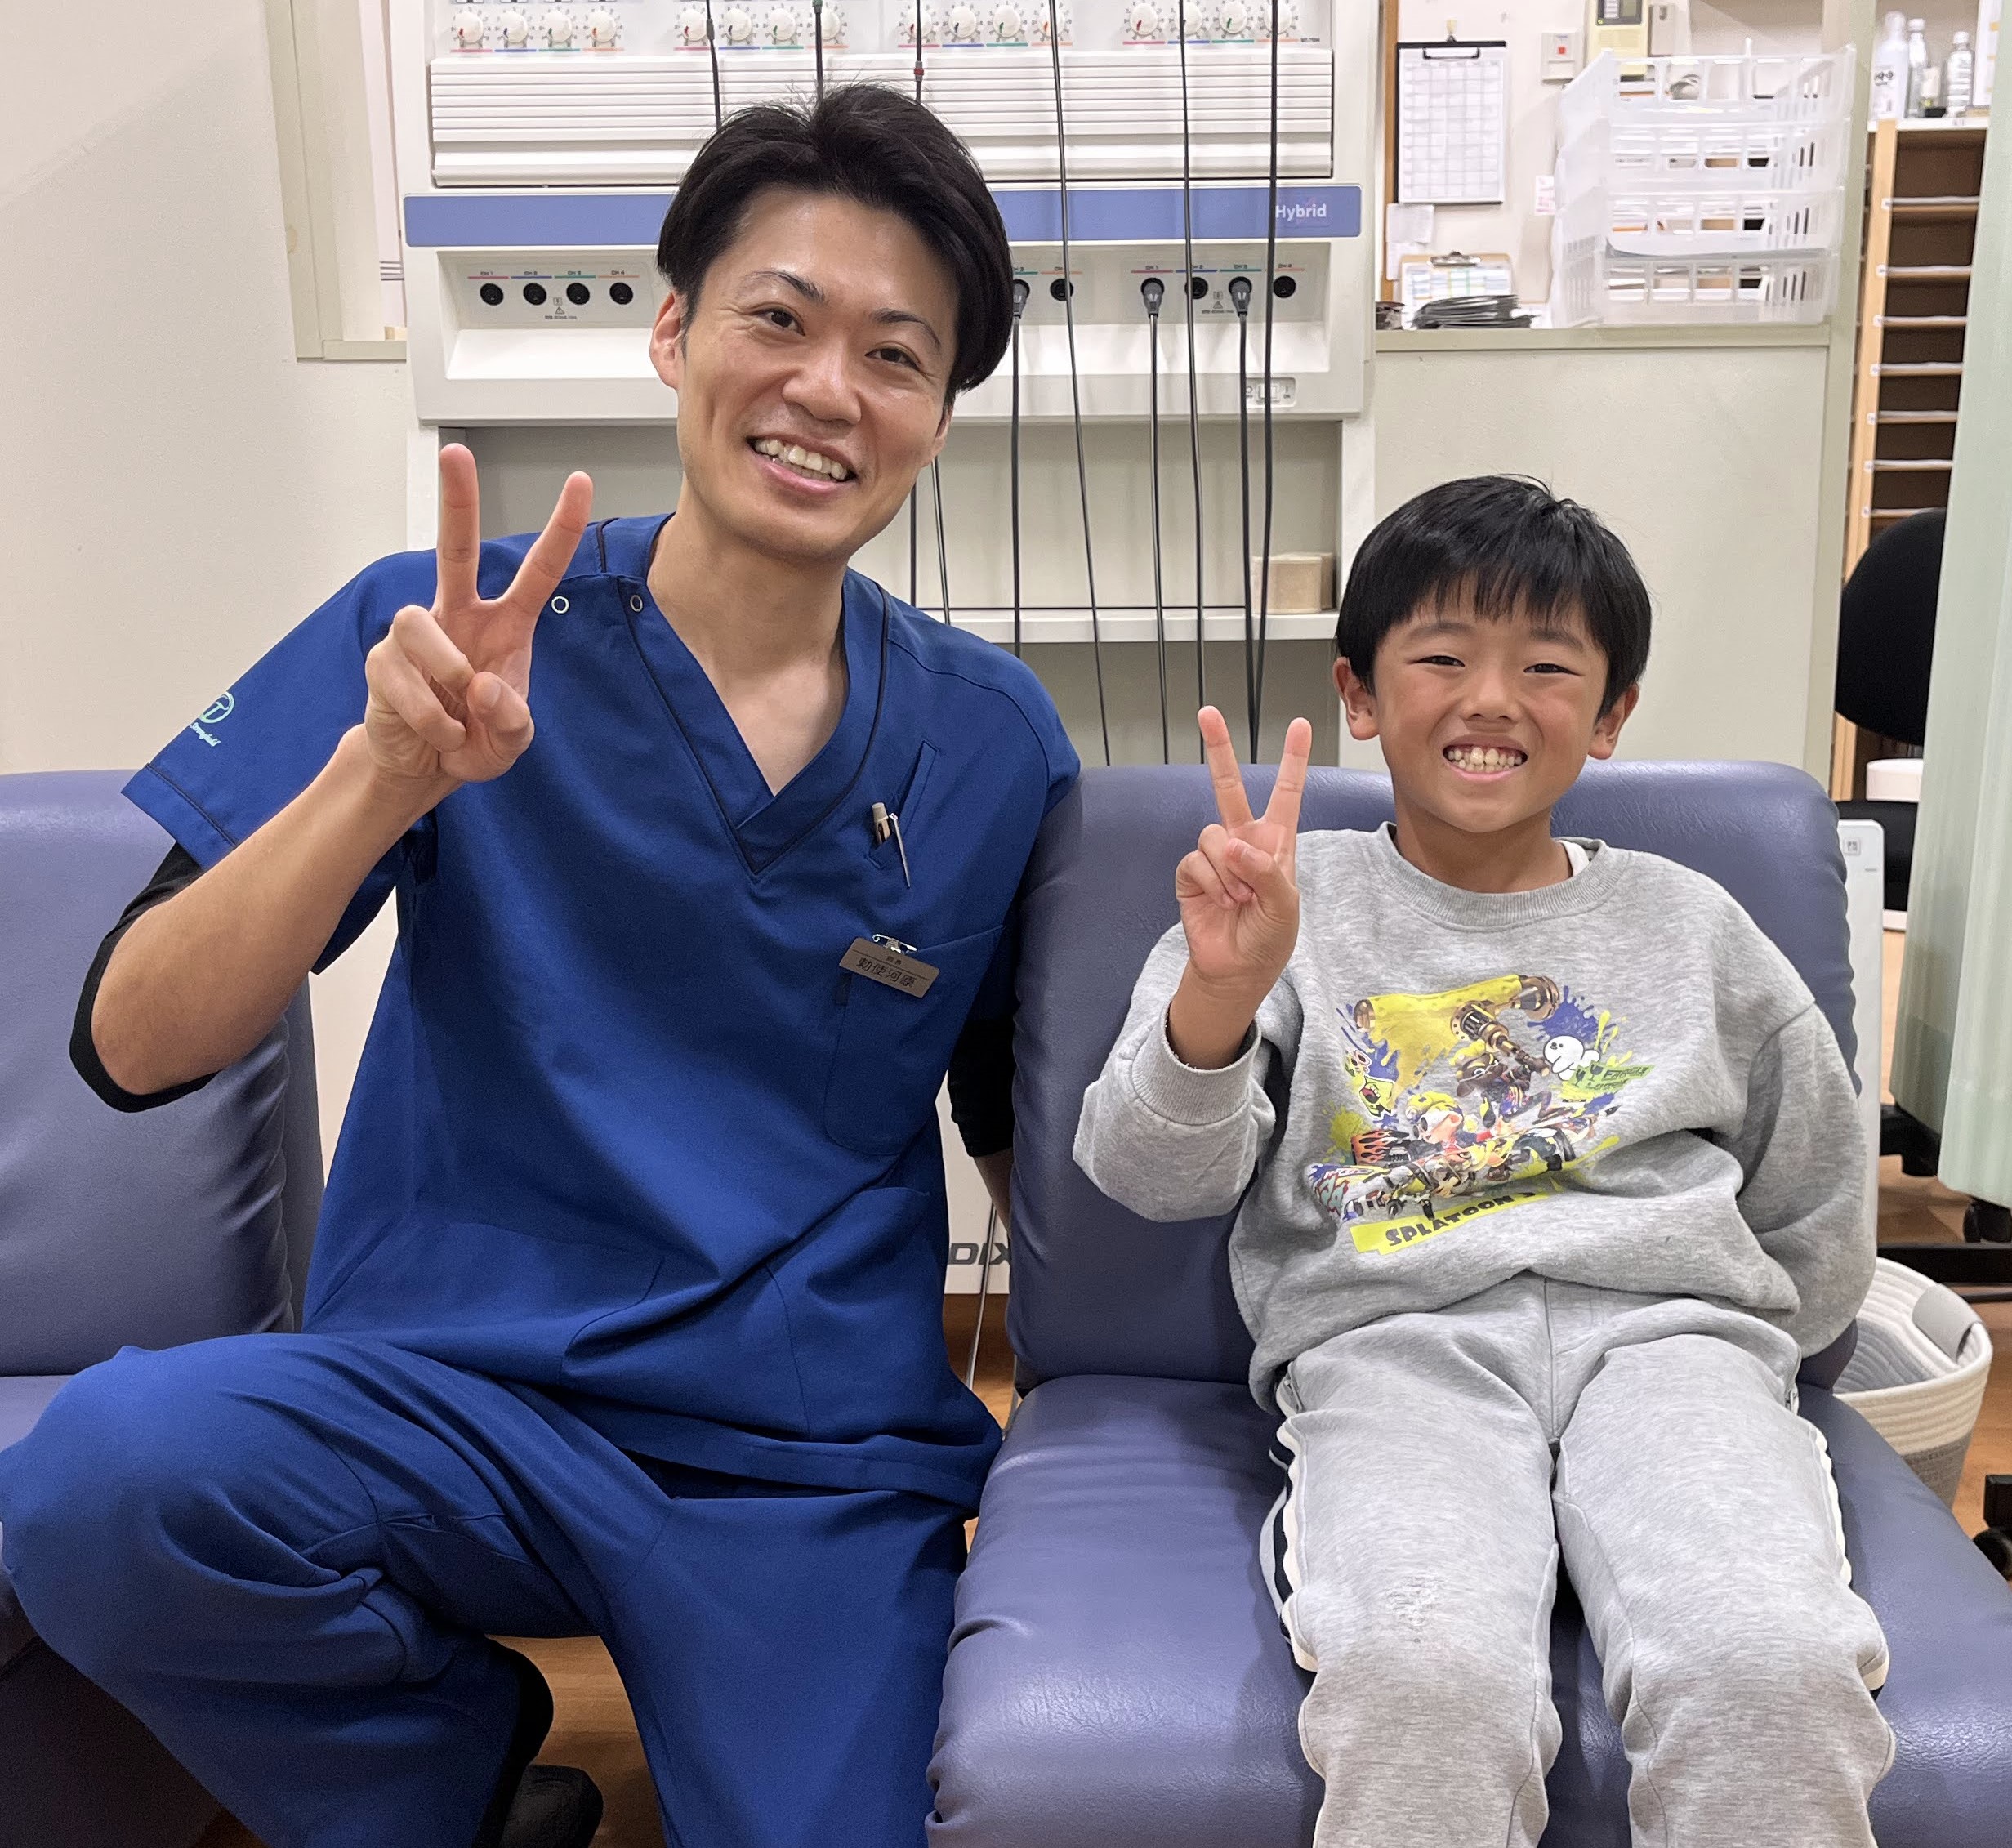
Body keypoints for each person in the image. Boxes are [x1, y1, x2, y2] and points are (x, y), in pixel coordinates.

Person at [0, 86, 1076, 1848]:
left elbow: (1013, 1124)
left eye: (896, 355)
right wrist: (382, 778)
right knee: (105, 1480)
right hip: (447, 1395)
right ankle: (449, 1774)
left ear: (937, 417)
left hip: (795, 1461)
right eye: (779, 319)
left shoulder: (989, 740)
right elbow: (133, 1040)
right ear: (673, 334)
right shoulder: (436, 635)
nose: (826, 390)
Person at [1073, 477, 1890, 1847]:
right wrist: (1219, 992)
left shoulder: (1694, 924)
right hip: (1396, 1353)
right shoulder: (1281, 906)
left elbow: (1815, 1190)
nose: (1493, 699)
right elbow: (1148, 1173)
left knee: (1767, 1659)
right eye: (1444, 656)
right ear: (1360, 691)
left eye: (1549, 667)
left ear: (1612, 712)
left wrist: (1741, 1349)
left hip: (1678, 1349)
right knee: (1423, 1674)